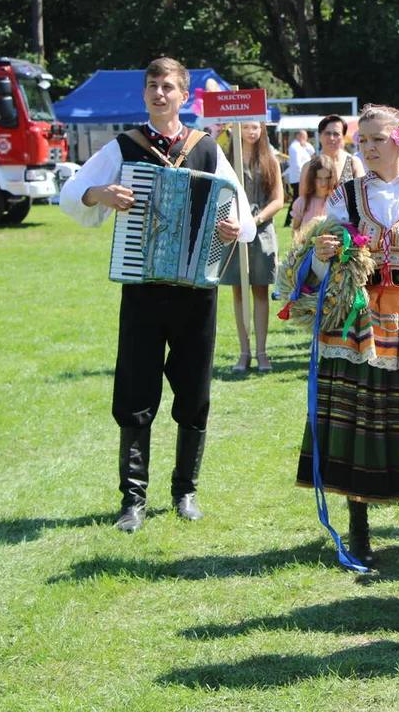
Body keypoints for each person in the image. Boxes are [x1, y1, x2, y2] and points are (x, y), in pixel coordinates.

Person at [59, 57, 253, 532]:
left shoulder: (206, 148)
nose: (159, 93)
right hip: (143, 288)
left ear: (184, 95)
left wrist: (233, 228)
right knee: (135, 390)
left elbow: (243, 214)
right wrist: (100, 195)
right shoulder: (124, 146)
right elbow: (71, 192)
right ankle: (133, 499)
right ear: (145, 93)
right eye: (152, 86)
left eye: (168, 86)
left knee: (194, 390)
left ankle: (185, 491)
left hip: (195, 292)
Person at [292, 104, 399, 566]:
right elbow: (326, 260)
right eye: (361, 140)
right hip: (359, 317)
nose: (366, 147)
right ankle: (358, 527)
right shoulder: (347, 194)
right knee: (359, 412)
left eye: (375, 139)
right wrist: (325, 251)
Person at [223, 121, 284, 373]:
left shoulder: (270, 160)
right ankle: (244, 352)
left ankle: (262, 351)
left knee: (260, 290)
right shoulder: (226, 160)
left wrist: (256, 220)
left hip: (261, 228)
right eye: (246, 127)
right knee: (238, 291)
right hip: (233, 227)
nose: (251, 131)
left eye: (255, 127)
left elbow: (279, 199)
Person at [290, 154, 337, 233]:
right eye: (319, 178)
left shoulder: (337, 202)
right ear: (312, 178)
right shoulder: (302, 202)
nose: (323, 183)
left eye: (327, 178)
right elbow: (295, 231)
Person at [318, 114, 366, 185]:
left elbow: (363, 191)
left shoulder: (353, 162)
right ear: (319, 136)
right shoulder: (310, 166)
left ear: (343, 137)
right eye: (327, 133)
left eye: (336, 134)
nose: (331, 138)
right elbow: (304, 195)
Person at [285, 129, 315, 228]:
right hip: (298, 177)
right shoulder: (294, 147)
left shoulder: (301, 147)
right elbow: (297, 164)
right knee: (297, 199)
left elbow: (312, 151)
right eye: (305, 137)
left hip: (301, 176)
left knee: (297, 198)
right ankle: (289, 220)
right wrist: (304, 176)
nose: (306, 139)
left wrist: (305, 143)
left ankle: (290, 219)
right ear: (300, 136)